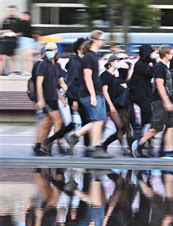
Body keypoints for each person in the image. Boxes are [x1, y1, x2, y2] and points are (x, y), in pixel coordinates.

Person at [65, 30, 110, 158]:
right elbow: (87, 77)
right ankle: (95, 146)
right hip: (90, 93)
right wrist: (93, 96)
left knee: (99, 121)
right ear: (95, 40)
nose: (103, 42)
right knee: (97, 120)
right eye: (102, 40)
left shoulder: (93, 56)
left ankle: (79, 139)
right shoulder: (89, 57)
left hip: (95, 92)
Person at [132, 45, 173, 158]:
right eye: (171, 53)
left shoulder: (166, 67)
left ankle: (169, 151)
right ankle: (139, 145)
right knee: (156, 128)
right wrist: (166, 101)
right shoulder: (159, 67)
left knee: (172, 125)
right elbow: (159, 85)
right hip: (160, 101)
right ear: (166, 54)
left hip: (169, 100)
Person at [34, 42, 69, 156]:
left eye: (52, 49)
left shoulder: (57, 66)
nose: (49, 52)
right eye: (47, 50)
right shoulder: (43, 64)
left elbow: (61, 83)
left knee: (47, 123)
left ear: (56, 51)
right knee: (58, 120)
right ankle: (58, 144)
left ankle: (38, 146)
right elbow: (39, 83)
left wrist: (68, 95)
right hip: (47, 98)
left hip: (53, 98)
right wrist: (40, 99)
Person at [99, 55, 128, 154]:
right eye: (117, 61)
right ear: (111, 62)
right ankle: (99, 145)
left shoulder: (113, 76)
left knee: (120, 126)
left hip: (111, 105)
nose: (118, 63)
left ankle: (104, 145)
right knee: (101, 126)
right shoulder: (105, 75)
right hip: (105, 105)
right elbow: (104, 91)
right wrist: (111, 105)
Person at [129, 44, 158, 141]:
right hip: (139, 94)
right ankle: (139, 138)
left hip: (146, 93)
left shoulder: (144, 64)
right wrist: (154, 61)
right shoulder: (139, 64)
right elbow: (151, 72)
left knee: (148, 116)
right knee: (147, 115)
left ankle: (143, 137)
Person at [0, 5, 20, 75]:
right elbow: (1, 31)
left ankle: (12, 73)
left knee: (13, 57)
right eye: (10, 10)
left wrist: (15, 34)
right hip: (5, 41)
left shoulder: (18, 21)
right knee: (1, 57)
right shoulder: (5, 20)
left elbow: (21, 32)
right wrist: (5, 31)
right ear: (8, 11)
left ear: (15, 11)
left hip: (13, 41)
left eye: (13, 10)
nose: (11, 11)